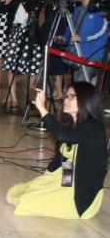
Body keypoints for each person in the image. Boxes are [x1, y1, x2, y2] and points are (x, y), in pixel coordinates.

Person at [6, 82, 106, 219]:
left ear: (85, 99)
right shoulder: (72, 125)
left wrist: (42, 108)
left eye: (71, 97)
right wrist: (46, 179)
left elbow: (61, 135)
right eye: (66, 97)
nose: (66, 100)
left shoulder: (94, 127)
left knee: (25, 201)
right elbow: (62, 159)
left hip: (82, 196)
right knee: (19, 192)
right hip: (68, 180)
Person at [62, 0, 108, 85]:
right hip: (79, 54)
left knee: (81, 86)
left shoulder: (98, 9)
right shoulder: (78, 10)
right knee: (80, 85)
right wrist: (65, 38)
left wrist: (83, 38)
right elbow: (71, 27)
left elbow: (103, 30)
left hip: (93, 55)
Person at [2, 0, 44, 85]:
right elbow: (5, 12)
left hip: (32, 35)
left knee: (33, 67)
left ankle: (32, 93)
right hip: (15, 34)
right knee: (11, 67)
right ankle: (13, 95)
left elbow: (34, 13)